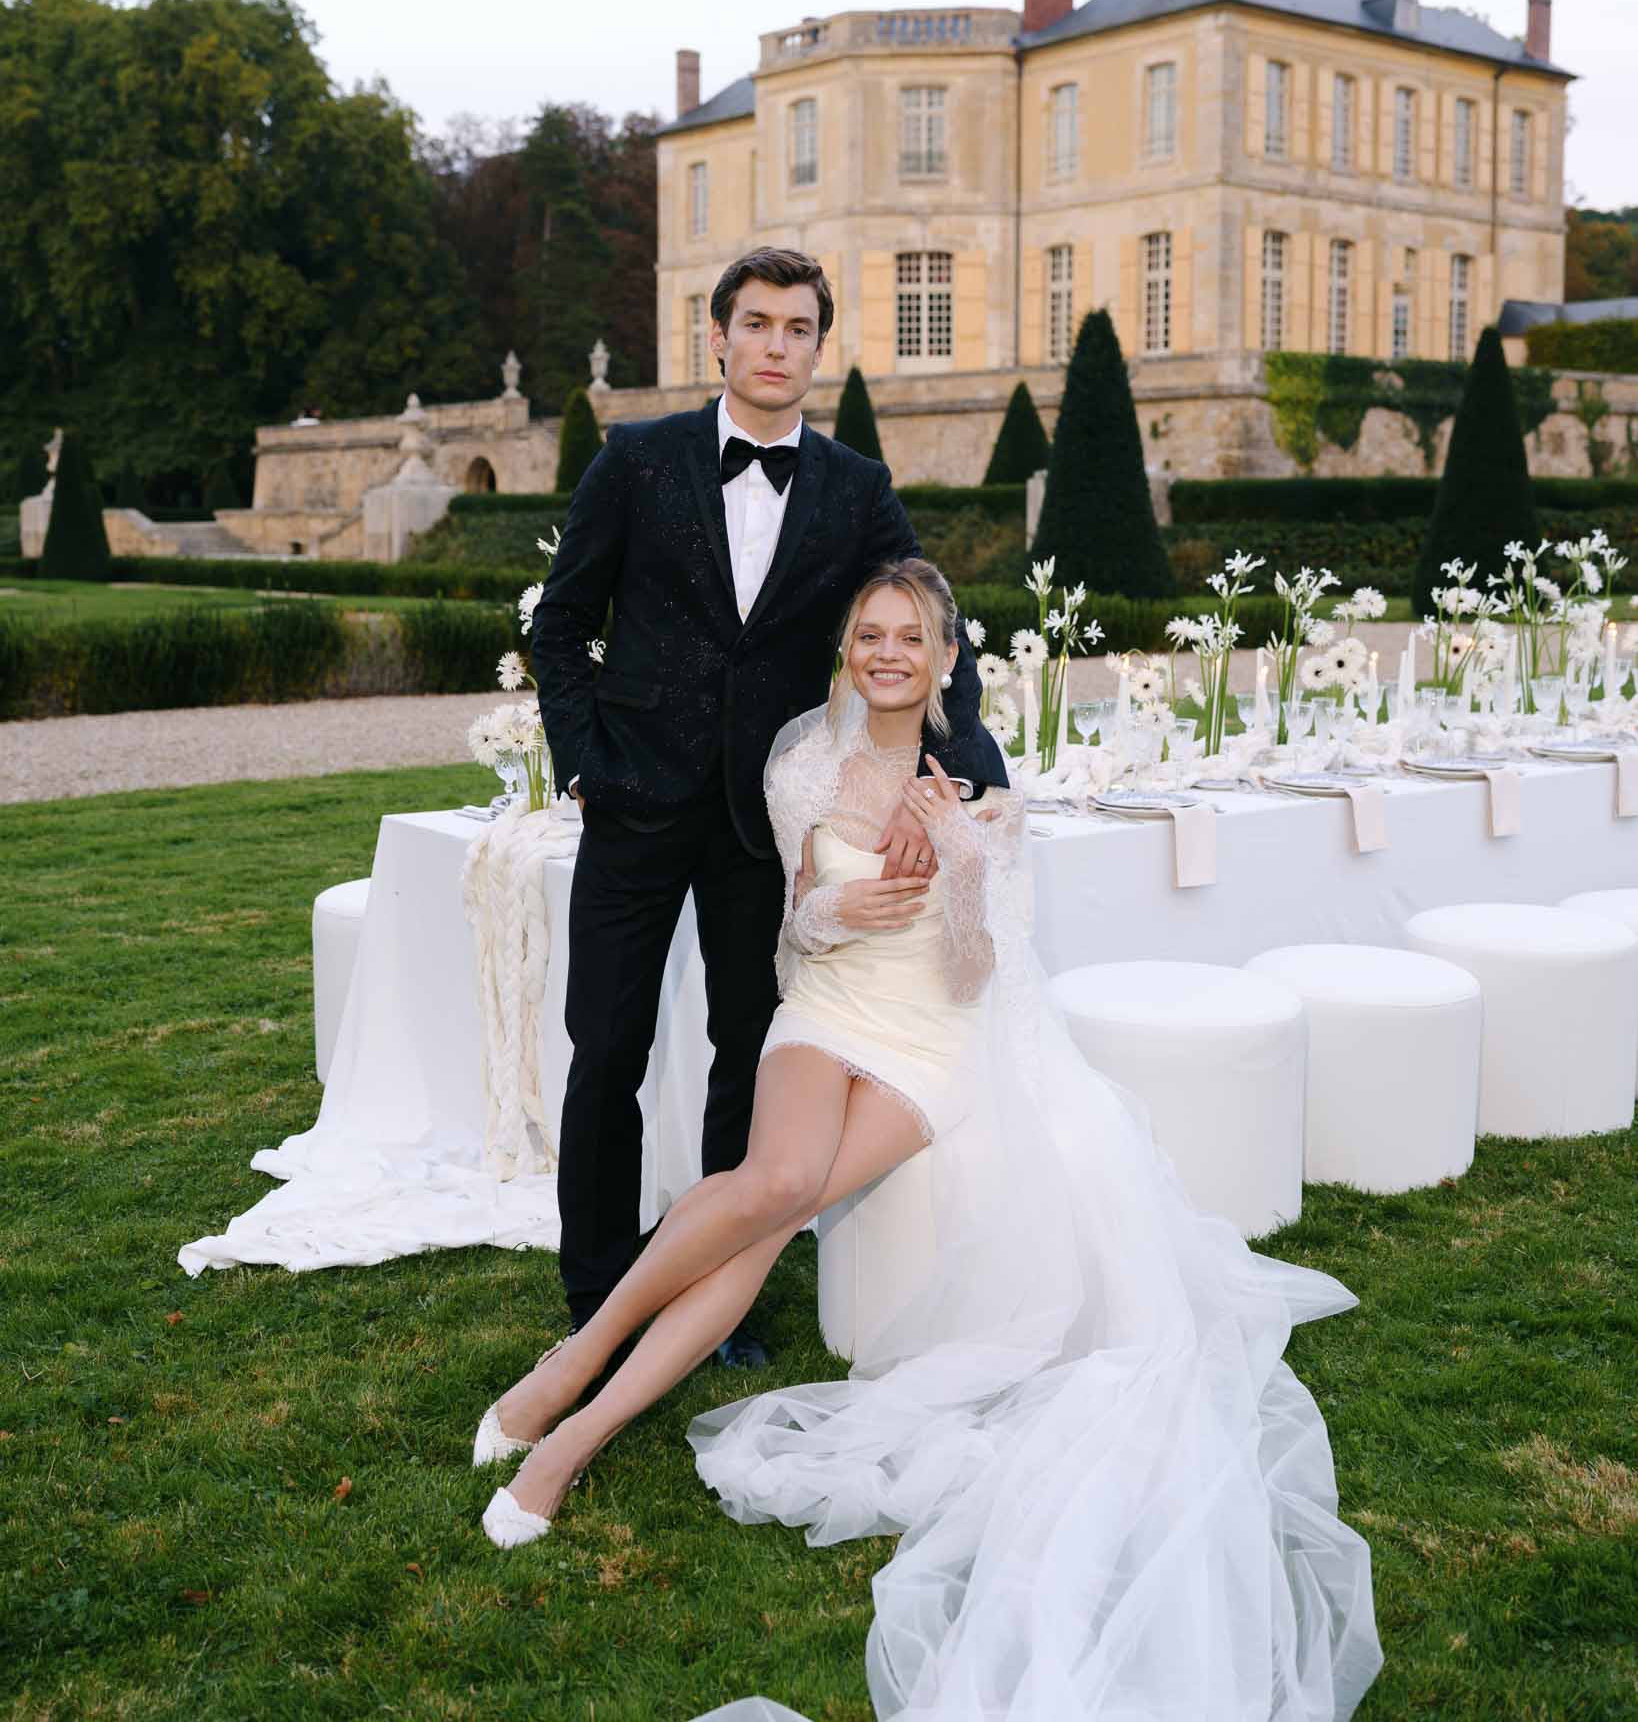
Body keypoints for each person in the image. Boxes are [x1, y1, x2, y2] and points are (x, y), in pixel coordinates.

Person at [479, 559, 1382, 1720]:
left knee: (776, 1205)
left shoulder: (978, 780)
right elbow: (791, 943)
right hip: (827, 1009)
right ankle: (573, 1364)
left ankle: (572, 1427)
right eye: (870, 632)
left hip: (931, 1041)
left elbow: (975, 971)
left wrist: (959, 860)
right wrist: (824, 909)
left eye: (912, 635)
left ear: (948, 658)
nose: (889, 650)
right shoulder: (802, 761)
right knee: (776, 1180)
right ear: (848, 650)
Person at [527, 248, 1006, 1364]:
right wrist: (588, 762)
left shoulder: (855, 486)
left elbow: (942, 631)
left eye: (798, 328)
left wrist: (963, 775)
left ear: (819, 351)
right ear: (719, 338)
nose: (777, 345)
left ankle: (719, 1287)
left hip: (766, 826)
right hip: (636, 805)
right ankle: (597, 1284)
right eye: (758, 324)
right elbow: (562, 622)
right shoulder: (638, 461)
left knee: (749, 1052)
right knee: (608, 1048)